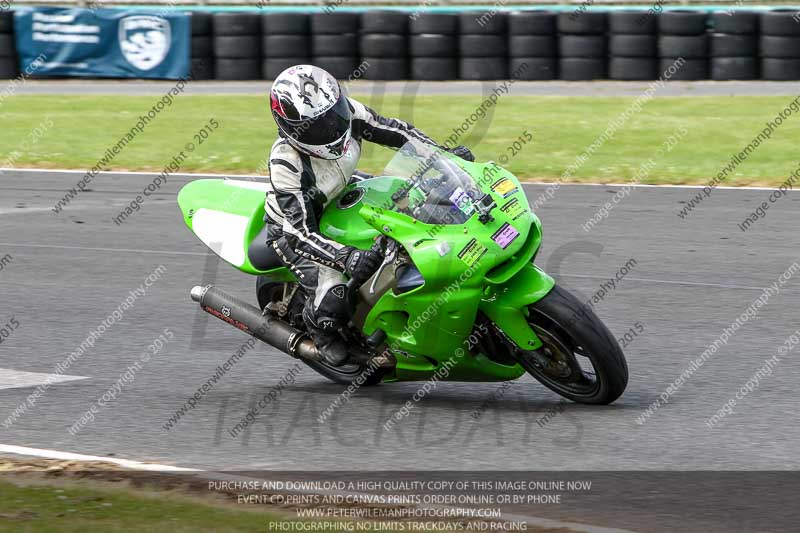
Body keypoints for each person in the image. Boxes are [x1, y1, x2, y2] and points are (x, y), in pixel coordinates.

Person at [262, 64, 474, 366]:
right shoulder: (287, 163)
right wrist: (346, 256)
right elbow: (298, 233)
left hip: (344, 193)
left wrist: (444, 156)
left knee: (419, 210)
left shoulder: (349, 114)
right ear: (292, 128)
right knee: (335, 293)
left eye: (334, 115)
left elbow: (400, 133)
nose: (334, 128)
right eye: (319, 127)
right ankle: (319, 329)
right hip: (294, 230)